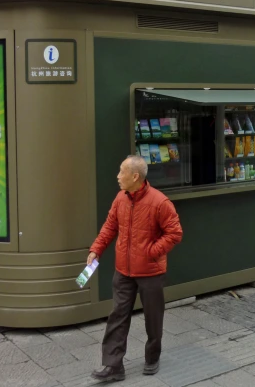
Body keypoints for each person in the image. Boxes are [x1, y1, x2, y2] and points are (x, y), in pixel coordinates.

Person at [87, 155, 183, 382]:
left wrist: (152, 252)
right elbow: (109, 227)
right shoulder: (120, 198)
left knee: (153, 318)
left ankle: (152, 358)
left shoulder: (160, 202)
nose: (118, 176)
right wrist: (95, 250)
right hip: (123, 271)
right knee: (117, 317)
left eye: (122, 172)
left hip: (151, 272)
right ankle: (113, 366)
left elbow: (175, 233)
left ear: (135, 176)